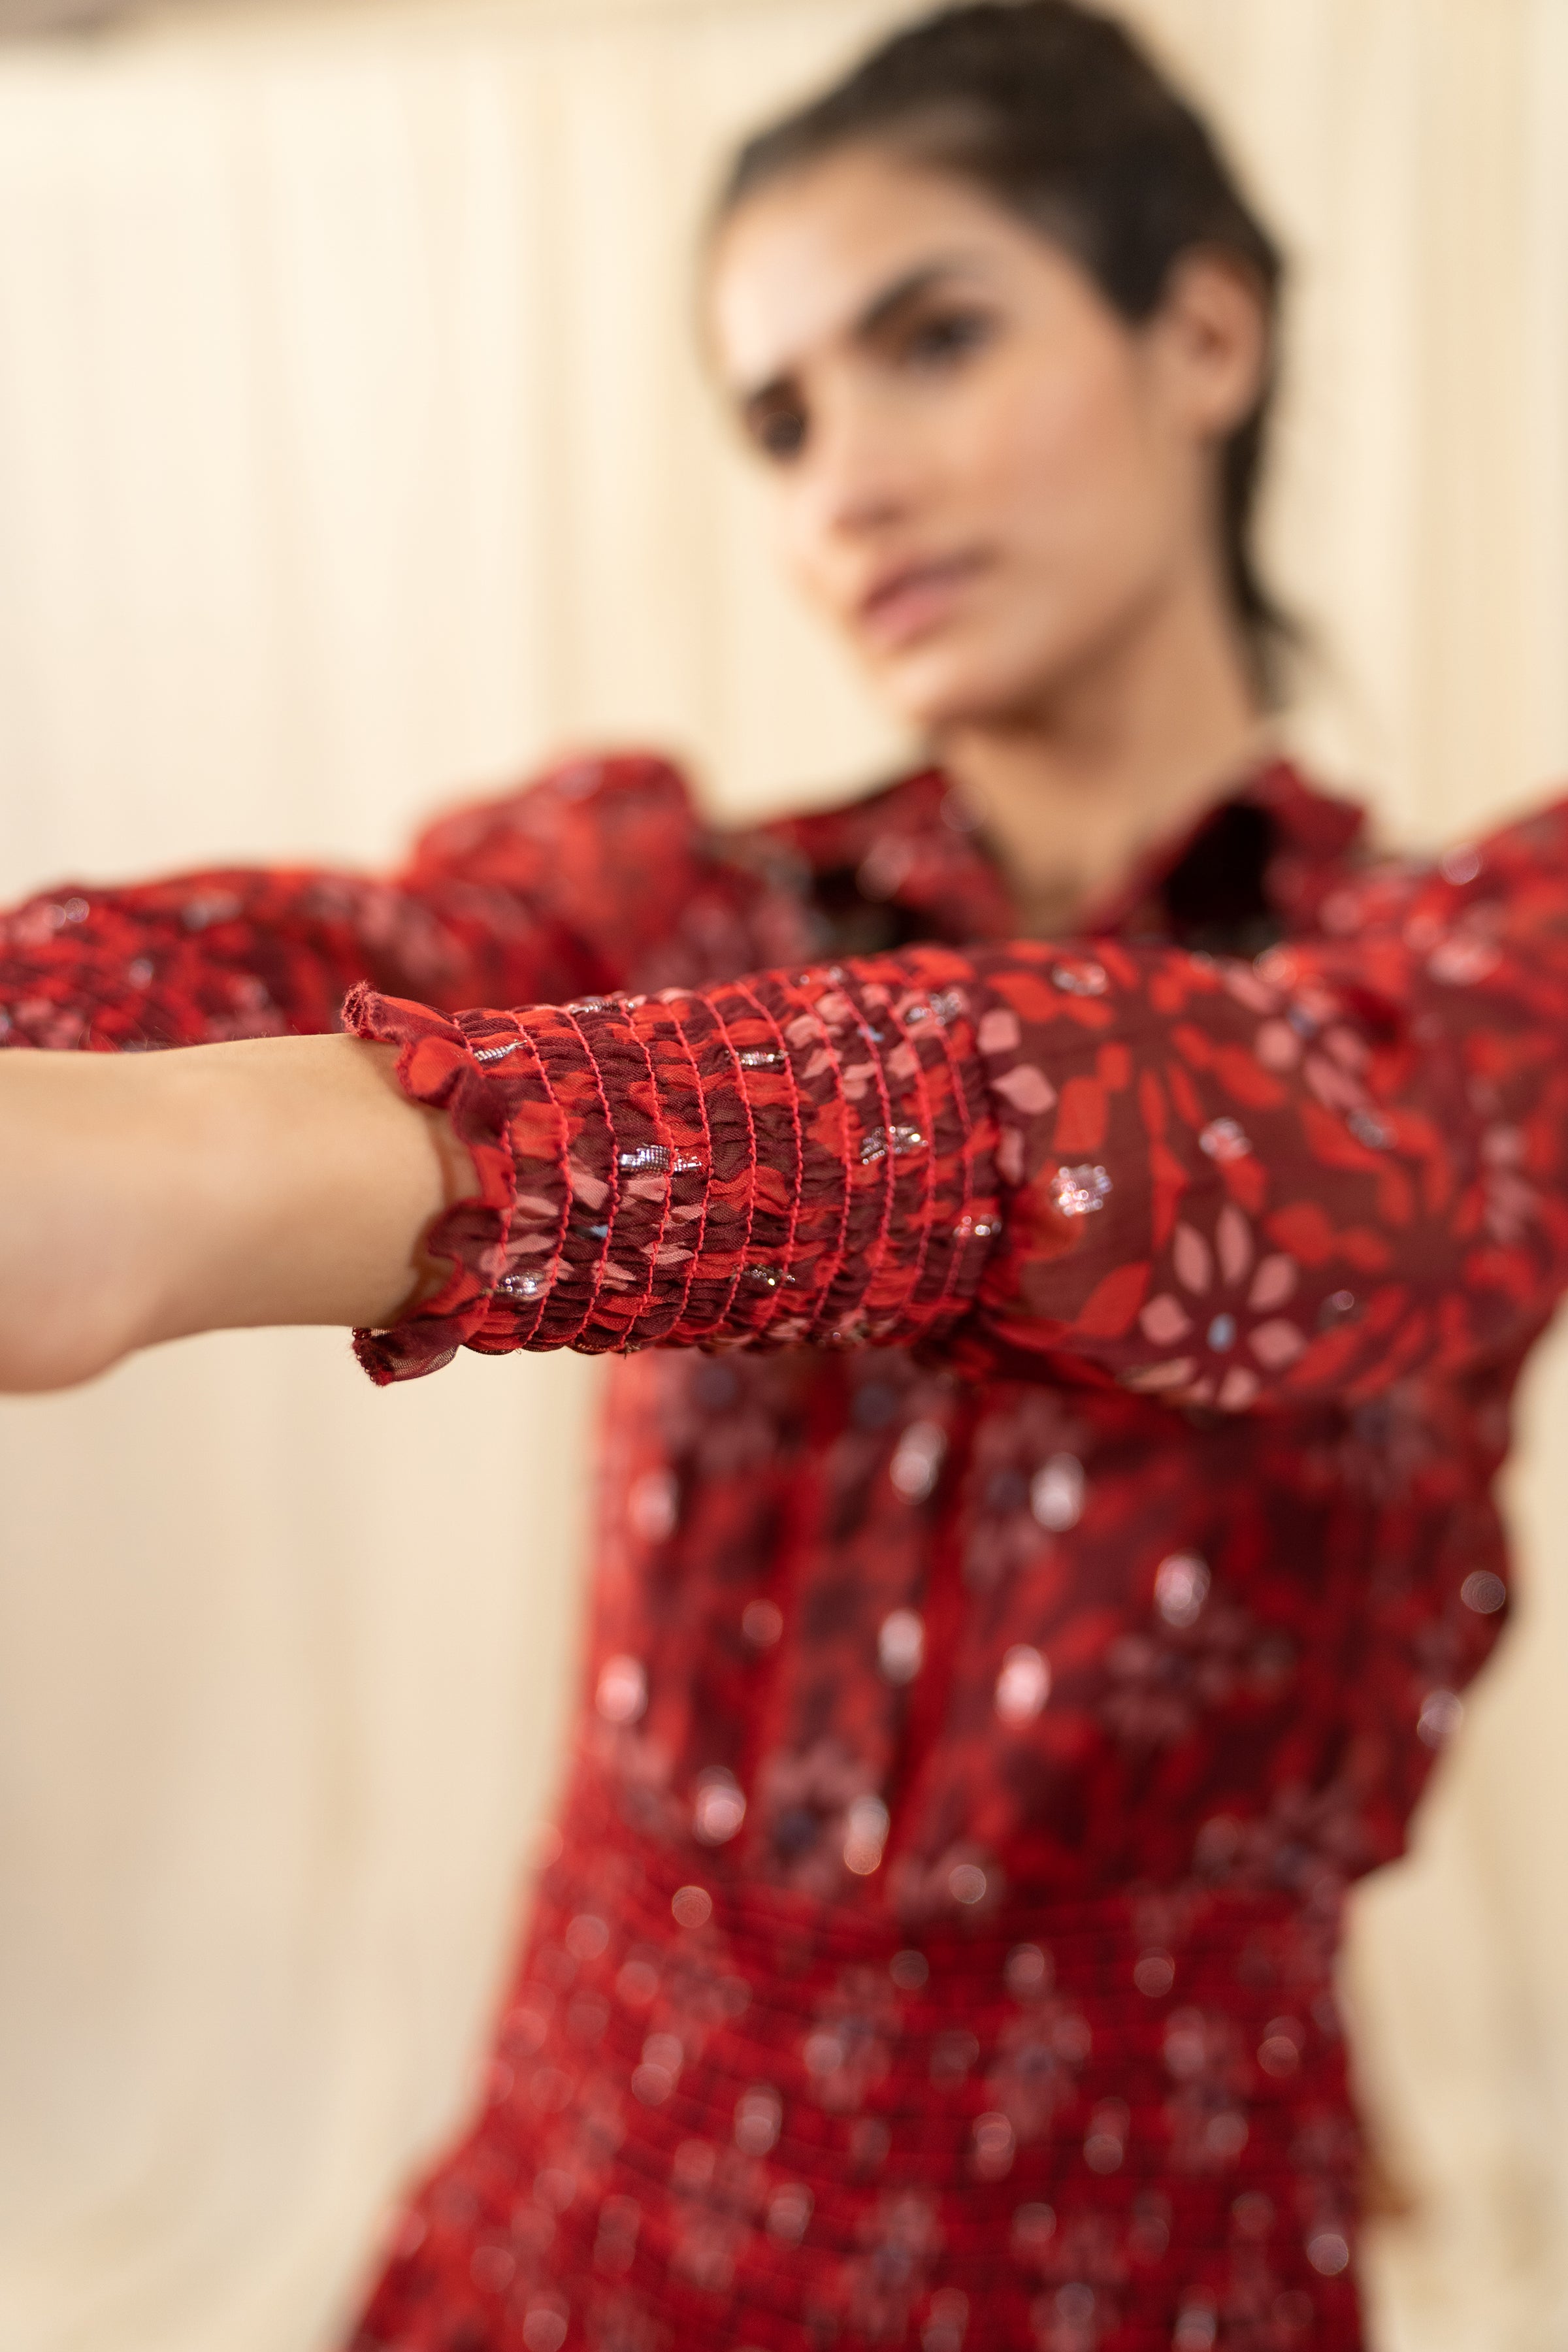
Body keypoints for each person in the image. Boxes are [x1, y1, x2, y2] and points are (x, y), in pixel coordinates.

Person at [0, 3, 1561, 2344]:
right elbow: (357, 952)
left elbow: (1182, 1137)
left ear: (1203, 330)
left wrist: (248, 1172)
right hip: (577, 2202)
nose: (845, 480)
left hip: (1133, 2268)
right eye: (781, 416)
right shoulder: (690, 901)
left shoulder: (1462, 991)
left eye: (932, 339)